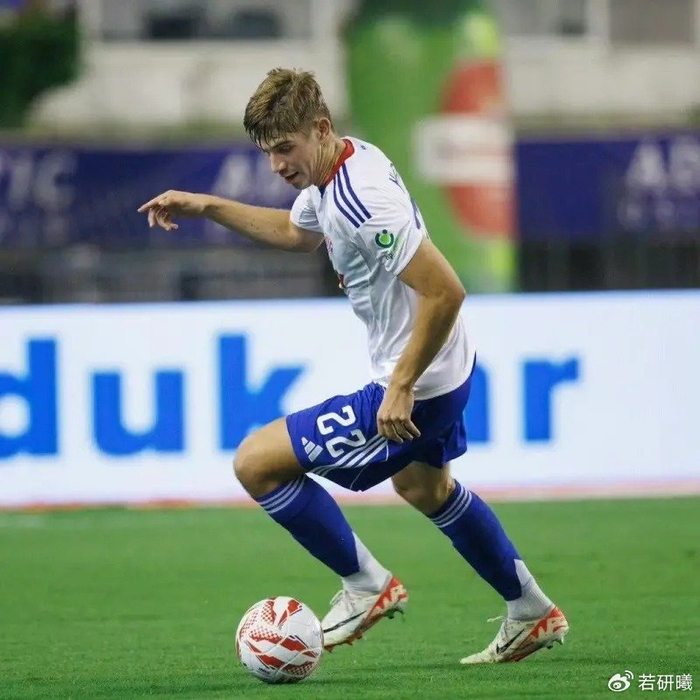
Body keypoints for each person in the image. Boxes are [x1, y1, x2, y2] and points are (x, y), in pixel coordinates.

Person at [138, 68, 569, 664]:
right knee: (423, 486)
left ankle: (367, 586)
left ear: (320, 129)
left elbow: (446, 291)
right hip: (446, 367)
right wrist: (207, 205)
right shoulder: (339, 169)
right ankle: (530, 611)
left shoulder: (361, 200)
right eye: (267, 153)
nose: (276, 165)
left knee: (256, 464)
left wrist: (401, 385)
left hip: (420, 382)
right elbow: (297, 232)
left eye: (285, 148)